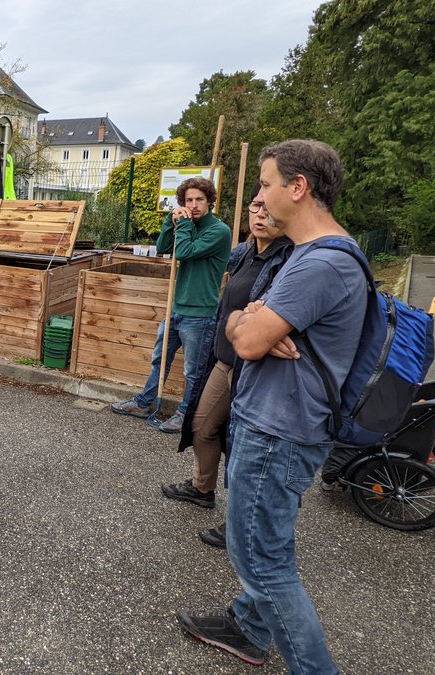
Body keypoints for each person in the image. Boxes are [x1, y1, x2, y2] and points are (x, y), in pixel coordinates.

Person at [177, 140, 364, 673]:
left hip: (280, 430)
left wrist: (251, 325)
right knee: (259, 549)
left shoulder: (320, 263)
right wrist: (250, 322)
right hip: (277, 423)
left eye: (264, 184)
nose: (258, 195)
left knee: (263, 562)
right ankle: (249, 628)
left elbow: (249, 340)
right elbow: (245, 323)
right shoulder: (310, 256)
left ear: (297, 187)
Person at [159, 186, 292, 548]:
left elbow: (186, 251)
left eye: (268, 209)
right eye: (254, 206)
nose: (260, 214)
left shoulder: (288, 261)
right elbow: (168, 249)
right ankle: (202, 487)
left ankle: (243, 525)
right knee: (202, 426)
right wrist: (174, 225)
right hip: (225, 358)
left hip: (256, 369)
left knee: (245, 446)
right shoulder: (246, 253)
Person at [111, 177, 231, 433]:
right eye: (189, 200)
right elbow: (164, 247)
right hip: (175, 309)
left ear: (210, 201)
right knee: (159, 360)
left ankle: (185, 414)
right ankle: (144, 403)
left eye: (199, 199)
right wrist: (170, 221)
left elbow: (185, 251)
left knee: (193, 371)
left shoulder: (218, 231)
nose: (194, 205)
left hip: (200, 314)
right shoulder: (188, 224)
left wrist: (184, 223)